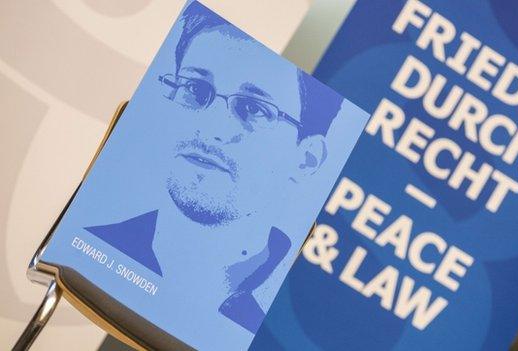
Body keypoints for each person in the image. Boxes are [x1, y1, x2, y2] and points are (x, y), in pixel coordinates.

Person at [84, 0, 344, 340]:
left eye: (253, 108)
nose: (211, 128)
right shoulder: (91, 245)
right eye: (195, 89)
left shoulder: (282, 326)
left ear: (306, 158)